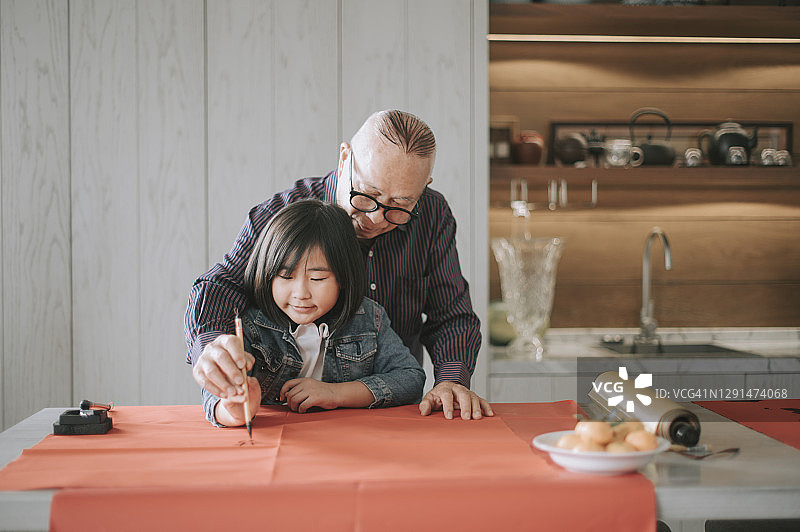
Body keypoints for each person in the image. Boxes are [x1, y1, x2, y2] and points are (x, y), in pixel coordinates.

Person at [188, 109, 493, 420]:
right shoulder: (285, 216)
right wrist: (214, 347)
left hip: (386, 414)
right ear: (344, 158)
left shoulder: (431, 214)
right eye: (367, 194)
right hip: (282, 420)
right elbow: (221, 285)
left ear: (423, 187)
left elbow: (451, 315)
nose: (376, 219)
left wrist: (451, 380)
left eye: (400, 206)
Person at [202, 200, 425, 426]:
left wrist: (335, 393)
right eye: (286, 277)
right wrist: (237, 409)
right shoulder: (251, 325)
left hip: (350, 440)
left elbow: (410, 379)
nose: (301, 293)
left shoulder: (369, 318)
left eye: (317, 279)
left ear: (344, 278)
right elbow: (215, 401)